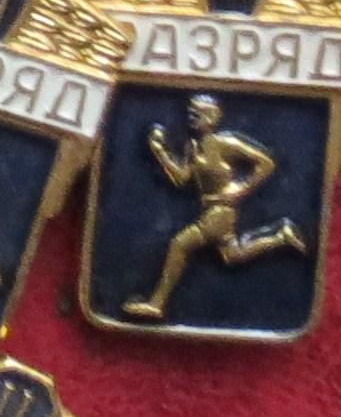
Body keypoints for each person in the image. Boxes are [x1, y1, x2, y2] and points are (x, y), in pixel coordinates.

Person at [123, 93, 306, 319]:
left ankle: (156, 304)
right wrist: (160, 152)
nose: (190, 118)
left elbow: (266, 163)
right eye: (190, 113)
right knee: (232, 255)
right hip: (210, 210)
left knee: (180, 245)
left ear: (210, 118)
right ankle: (281, 237)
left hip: (220, 212)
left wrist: (241, 189)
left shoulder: (224, 143)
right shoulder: (193, 147)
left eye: (196, 114)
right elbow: (181, 179)